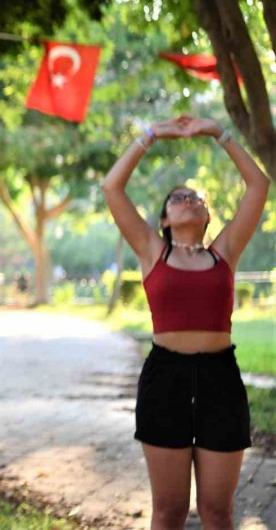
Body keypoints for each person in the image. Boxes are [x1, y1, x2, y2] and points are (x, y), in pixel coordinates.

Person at [101, 115, 269, 529]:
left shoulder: (224, 251)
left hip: (220, 380)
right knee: (169, 511)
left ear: (208, 216)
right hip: (165, 379)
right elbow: (112, 187)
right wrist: (150, 134)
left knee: (217, 511)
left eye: (196, 197)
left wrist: (219, 133)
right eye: (178, 198)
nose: (189, 199)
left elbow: (259, 185)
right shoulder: (150, 251)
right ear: (164, 220)